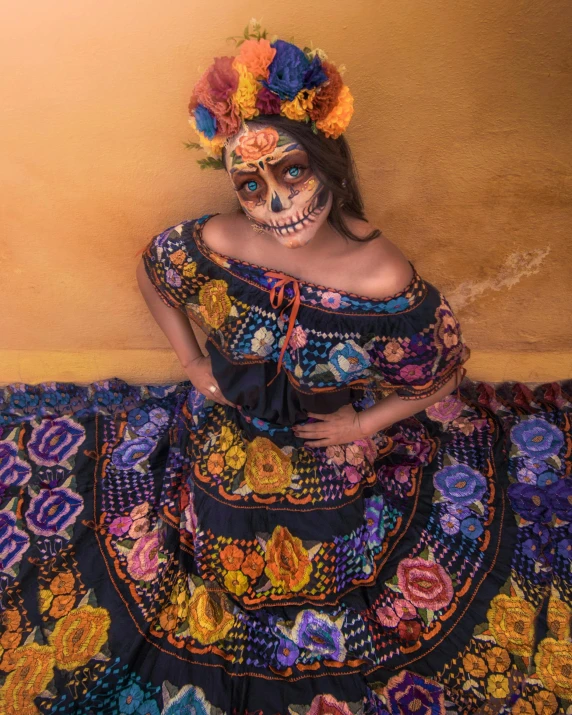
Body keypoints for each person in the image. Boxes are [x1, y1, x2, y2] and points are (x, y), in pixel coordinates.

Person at [2, 23, 568, 715]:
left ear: (327, 163)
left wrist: (365, 420)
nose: (275, 202)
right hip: (228, 423)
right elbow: (154, 271)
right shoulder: (217, 242)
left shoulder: (381, 274)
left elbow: (440, 375)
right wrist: (190, 359)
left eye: (292, 172)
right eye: (251, 183)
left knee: (335, 546)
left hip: (327, 435)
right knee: (217, 541)